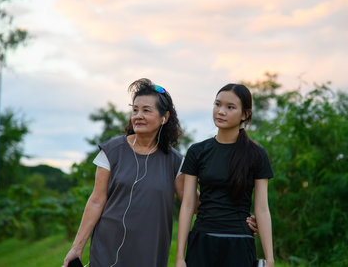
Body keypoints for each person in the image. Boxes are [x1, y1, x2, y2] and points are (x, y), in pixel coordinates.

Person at [64, 79, 259, 267]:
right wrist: (77, 247)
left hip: (150, 250)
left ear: (164, 118)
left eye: (146, 110)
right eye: (135, 110)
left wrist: (239, 220)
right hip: (106, 248)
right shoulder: (111, 151)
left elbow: (194, 202)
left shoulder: (174, 162)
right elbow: (97, 200)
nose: (138, 116)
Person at [175, 83, 274, 267]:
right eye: (217, 104)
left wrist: (270, 259)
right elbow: (188, 204)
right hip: (202, 242)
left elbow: (262, 209)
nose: (221, 111)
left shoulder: (257, 154)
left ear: (245, 114)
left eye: (230, 107)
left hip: (239, 245)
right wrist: (180, 257)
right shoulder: (197, 151)